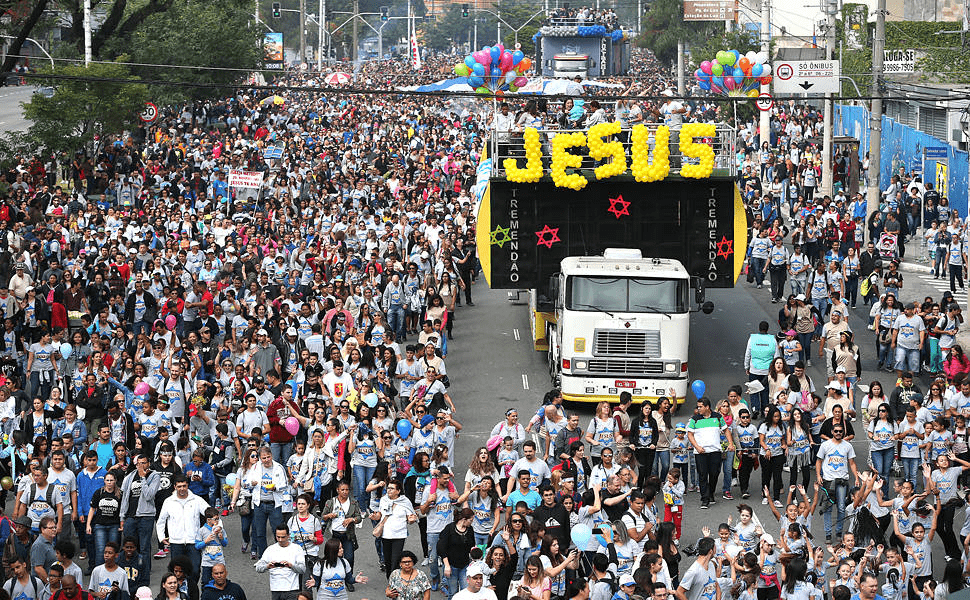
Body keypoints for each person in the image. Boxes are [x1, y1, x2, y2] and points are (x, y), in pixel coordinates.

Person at [815, 424, 860, 543]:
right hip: (828, 481)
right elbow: (818, 461)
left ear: (843, 432)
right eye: (836, 431)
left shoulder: (848, 446)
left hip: (842, 481)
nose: (838, 433)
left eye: (840, 431)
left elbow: (852, 463)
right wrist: (819, 475)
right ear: (832, 432)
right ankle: (828, 534)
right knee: (827, 508)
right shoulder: (825, 445)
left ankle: (839, 532)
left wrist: (856, 477)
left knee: (841, 507)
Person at [686, 398, 732, 509]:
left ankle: (711, 493)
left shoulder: (718, 417)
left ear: (707, 407)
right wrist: (697, 446)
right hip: (700, 452)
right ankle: (705, 499)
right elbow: (690, 434)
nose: (698, 409)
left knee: (714, 474)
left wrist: (731, 443)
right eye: (698, 406)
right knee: (702, 475)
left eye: (700, 406)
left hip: (715, 451)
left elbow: (726, 430)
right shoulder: (694, 419)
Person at [254, 525, 305, 600]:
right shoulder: (270, 549)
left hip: (292, 589)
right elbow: (258, 568)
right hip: (275, 590)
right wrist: (267, 566)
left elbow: (302, 569)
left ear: (288, 536)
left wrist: (291, 565)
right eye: (278, 537)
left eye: (283, 537)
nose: (280, 540)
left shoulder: (297, 549)